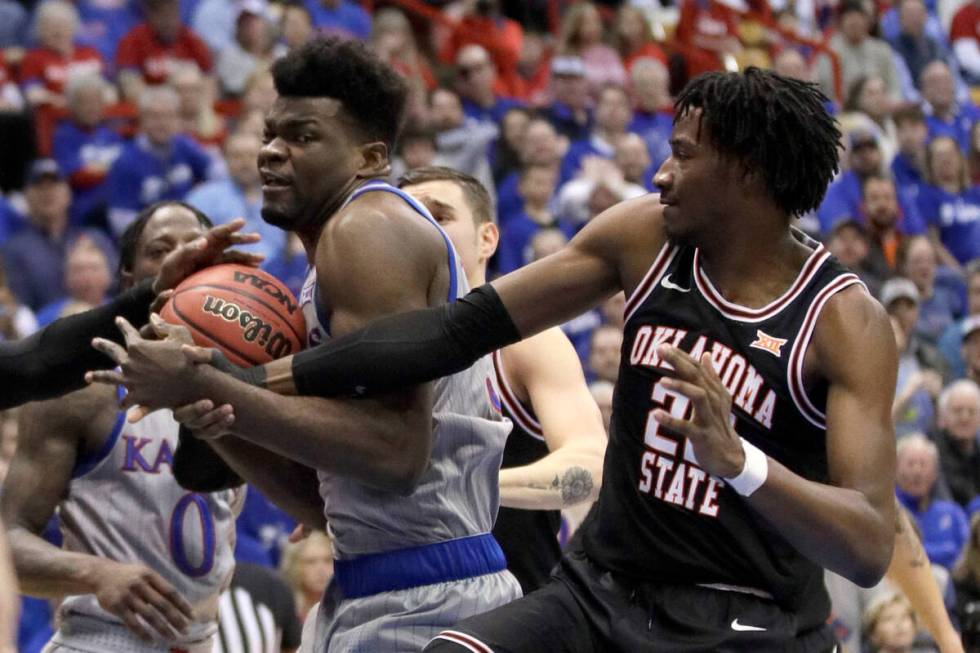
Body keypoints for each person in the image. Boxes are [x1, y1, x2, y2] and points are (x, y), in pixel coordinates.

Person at [92, 68, 900, 651]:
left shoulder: (845, 321)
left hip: (746, 615)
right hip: (598, 591)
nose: (660, 171)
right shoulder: (641, 237)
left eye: (684, 155)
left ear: (747, 173)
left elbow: (865, 548)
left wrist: (739, 461)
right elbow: (448, 332)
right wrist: (231, 380)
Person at [93, 37, 521, 651]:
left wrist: (208, 380)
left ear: (370, 156)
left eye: (303, 136)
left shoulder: (368, 230)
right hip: (376, 577)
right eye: (271, 133)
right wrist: (212, 417)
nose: (271, 151)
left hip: (427, 597)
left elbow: (396, 453)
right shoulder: (335, 255)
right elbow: (328, 507)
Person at [1, 201, 246, 653]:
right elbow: (7, 537)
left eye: (196, 248)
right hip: (101, 639)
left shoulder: (245, 387)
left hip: (203, 641)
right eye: (161, 251)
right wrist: (96, 573)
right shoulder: (84, 391)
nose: (185, 260)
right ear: (131, 280)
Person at [398, 165, 606, 594]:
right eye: (409, 221)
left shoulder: (525, 342)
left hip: (509, 600)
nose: (423, 231)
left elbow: (590, 464)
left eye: (440, 216)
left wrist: (476, 482)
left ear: (487, 239)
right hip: (396, 597)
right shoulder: (378, 347)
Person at [0, 215, 259, 409]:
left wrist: (155, 290)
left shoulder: (231, 377)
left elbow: (32, 365)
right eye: (159, 251)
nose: (175, 256)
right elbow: (34, 367)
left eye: (191, 243)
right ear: (127, 276)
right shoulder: (85, 404)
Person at [896, 434, 970, 570]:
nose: (917, 471)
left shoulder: (952, 513)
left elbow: (968, 555)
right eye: (910, 464)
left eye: (923, 464)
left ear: (935, 473)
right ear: (895, 470)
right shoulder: (890, 512)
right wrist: (947, 552)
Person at [934, 379, 980, 509]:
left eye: (971, 411)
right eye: (957, 411)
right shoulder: (932, 451)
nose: (964, 418)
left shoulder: (976, 449)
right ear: (943, 416)